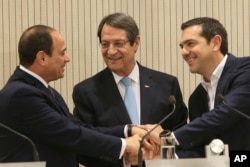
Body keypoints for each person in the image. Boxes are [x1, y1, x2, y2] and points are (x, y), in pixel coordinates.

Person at [0, 25, 156, 167]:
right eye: (62, 53)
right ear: (42, 58)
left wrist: (127, 130)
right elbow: (70, 134)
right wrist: (124, 146)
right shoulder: (20, 95)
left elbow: (79, 127)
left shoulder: (44, 91)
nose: (67, 58)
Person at [72, 12, 188, 166]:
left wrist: (163, 156)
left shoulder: (166, 85)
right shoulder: (86, 92)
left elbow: (183, 138)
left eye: (119, 43)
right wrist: (124, 158)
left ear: (136, 43)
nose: (111, 51)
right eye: (105, 44)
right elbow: (83, 147)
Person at [172, 17, 250, 158]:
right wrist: (169, 155)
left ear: (215, 43)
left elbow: (225, 113)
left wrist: (172, 138)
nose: (183, 52)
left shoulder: (246, 70)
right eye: (181, 46)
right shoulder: (196, 98)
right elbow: (202, 148)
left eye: (190, 43)